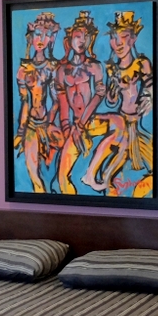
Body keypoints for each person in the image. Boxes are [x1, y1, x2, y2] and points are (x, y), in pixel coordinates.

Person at [82, 11, 153, 197]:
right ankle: (93, 176)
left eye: (124, 37)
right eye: (114, 38)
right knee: (120, 141)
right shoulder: (112, 67)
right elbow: (111, 101)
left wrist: (148, 97)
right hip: (121, 119)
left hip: (135, 123)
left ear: (133, 39)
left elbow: (151, 88)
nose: (118, 43)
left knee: (143, 157)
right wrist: (112, 90)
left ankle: (101, 178)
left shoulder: (141, 63)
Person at [54, 11, 106, 195]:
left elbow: (99, 95)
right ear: (70, 40)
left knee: (120, 126)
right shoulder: (61, 70)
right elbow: (63, 104)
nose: (81, 41)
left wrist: (81, 125)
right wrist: (68, 130)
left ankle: (94, 175)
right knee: (62, 178)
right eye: (77, 36)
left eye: (86, 37)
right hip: (74, 126)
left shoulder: (94, 66)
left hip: (91, 122)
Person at [14, 11, 63, 193]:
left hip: (48, 124)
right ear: (31, 37)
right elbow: (25, 102)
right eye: (37, 34)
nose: (41, 39)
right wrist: (21, 131)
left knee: (52, 174)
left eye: (46, 34)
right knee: (33, 173)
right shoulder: (23, 69)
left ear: (51, 38)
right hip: (30, 126)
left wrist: (49, 123)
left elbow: (56, 101)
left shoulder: (53, 67)